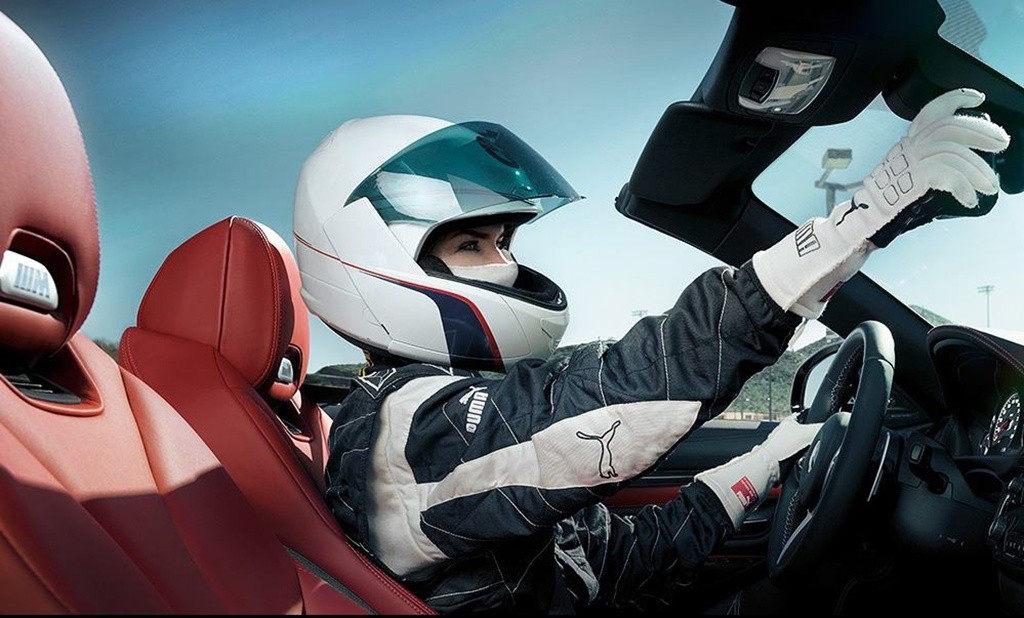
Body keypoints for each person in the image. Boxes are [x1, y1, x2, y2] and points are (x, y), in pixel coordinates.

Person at [291, 89, 1009, 613]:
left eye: (504, 242)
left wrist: (766, 461)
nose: (506, 267)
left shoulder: (445, 427)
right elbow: (624, 391)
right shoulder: (406, 431)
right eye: (474, 245)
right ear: (373, 256)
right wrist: (859, 218)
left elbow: (621, 558)